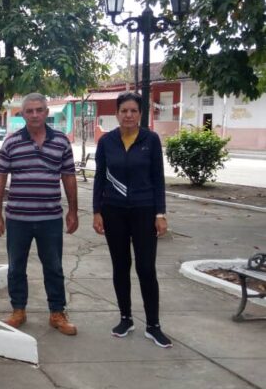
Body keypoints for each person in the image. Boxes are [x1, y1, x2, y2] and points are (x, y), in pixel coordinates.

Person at [0, 92, 79, 336]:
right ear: (23, 114)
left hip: (50, 218)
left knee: (54, 267)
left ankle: (57, 313)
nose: (35, 114)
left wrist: (73, 211)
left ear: (46, 112)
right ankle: (18, 310)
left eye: (39, 110)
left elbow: (68, 177)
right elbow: (0, 178)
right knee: (16, 267)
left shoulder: (61, 142)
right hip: (18, 218)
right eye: (29, 111)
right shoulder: (11, 142)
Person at [92, 91, 172, 348]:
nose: (128, 115)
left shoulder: (151, 139)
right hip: (113, 211)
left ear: (140, 114)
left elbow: (158, 179)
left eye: (133, 111)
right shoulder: (107, 142)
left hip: (144, 211)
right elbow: (99, 178)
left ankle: (153, 325)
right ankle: (125, 318)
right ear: (117, 114)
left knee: (146, 268)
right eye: (124, 110)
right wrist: (97, 211)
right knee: (120, 266)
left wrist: (160, 214)